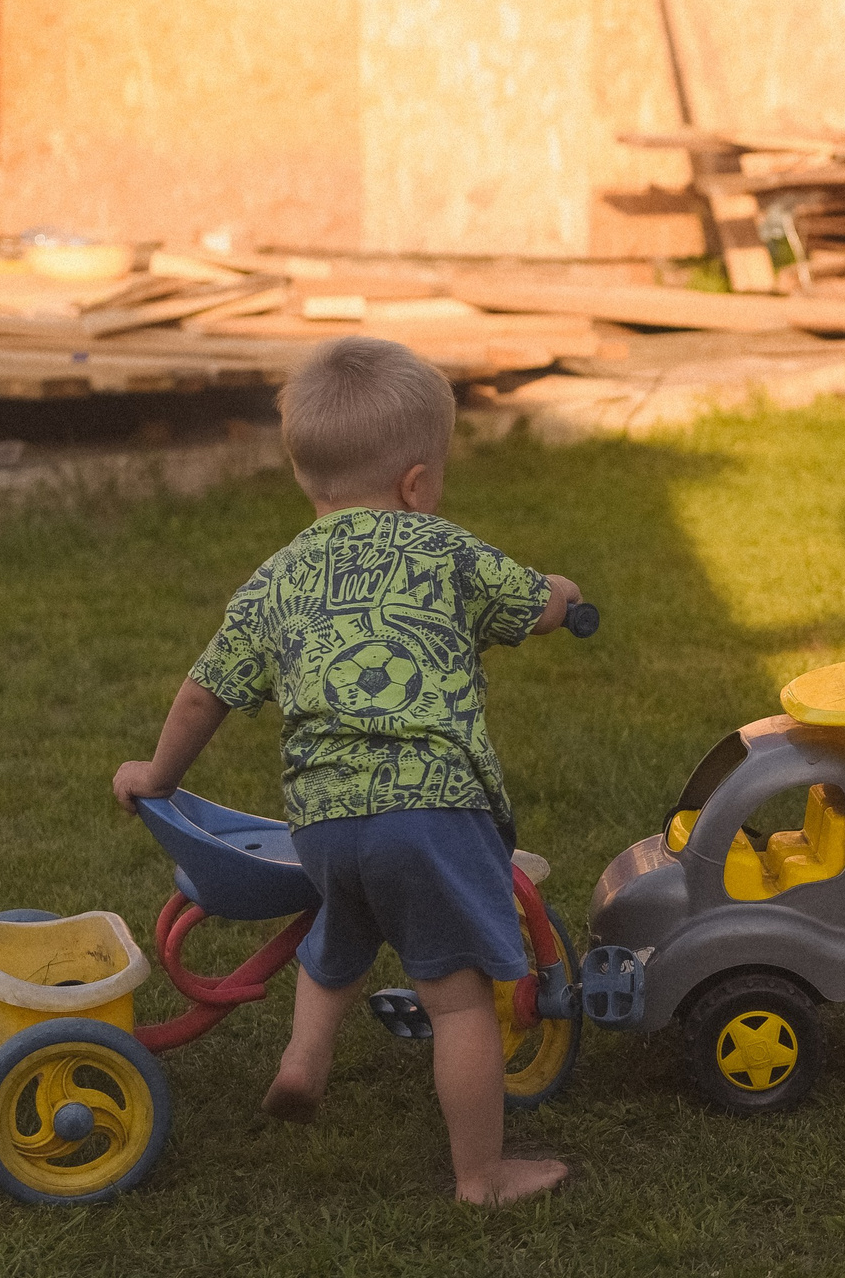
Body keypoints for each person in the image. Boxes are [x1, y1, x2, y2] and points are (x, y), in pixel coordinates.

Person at [112, 336, 580, 1201]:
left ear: (310, 479)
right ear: (416, 482)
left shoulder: (276, 579)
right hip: (434, 816)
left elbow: (202, 695)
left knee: (347, 918)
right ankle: (482, 1174)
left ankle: (304, 1055)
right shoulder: (446, 550)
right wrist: (566, 593)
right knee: (459, 1000)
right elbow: (532, 601)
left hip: (323, 825)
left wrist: (158, 773)